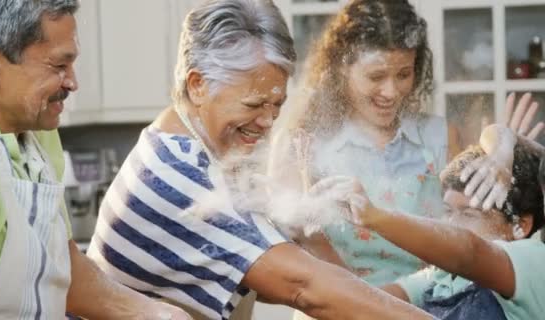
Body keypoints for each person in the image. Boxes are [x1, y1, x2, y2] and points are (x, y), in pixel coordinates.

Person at [86, 0, 435, 319]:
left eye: (277, 105)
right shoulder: (179, 174)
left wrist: (304, 233)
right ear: (197, 85)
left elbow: (263, 277)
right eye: (254, 104)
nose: (269, 122)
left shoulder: (210, 154)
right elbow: (303, 286)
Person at [0, 1, 190, 319]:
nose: (72, 83)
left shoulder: (35, 127)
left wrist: (151, 313)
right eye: (58, 66)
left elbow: (61, 267)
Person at [268, 0, 545, 290]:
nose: (391, 91)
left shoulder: (439, 136)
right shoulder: (301, 144)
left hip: (429, 306)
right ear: (342, 68)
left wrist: (508, 158)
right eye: (376, 76)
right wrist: (371, 306)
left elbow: (473, 234)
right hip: (337, 306)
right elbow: (297, 256)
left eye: (403, 74)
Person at [341, 124, 545, 319]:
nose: (451, 224)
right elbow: (366, 302)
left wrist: (376, 217)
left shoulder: (534, 261)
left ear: (520, 226)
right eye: (448, 211)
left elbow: (469, 252)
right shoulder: (441, 277)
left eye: (468, 214)